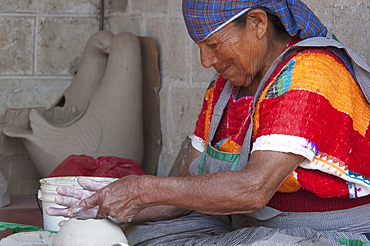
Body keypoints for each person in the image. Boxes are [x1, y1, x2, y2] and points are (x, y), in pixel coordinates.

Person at [47, 0, 370, 245]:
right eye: (201, 48)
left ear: (257, 23)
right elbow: (188, 188)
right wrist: (111, 202)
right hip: (245, 225)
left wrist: (143, 189)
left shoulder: (312, 73)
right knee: (136, 236)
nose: (206, 60)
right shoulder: (226, 87)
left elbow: (253, 190)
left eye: (213, 45)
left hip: (323, 233)